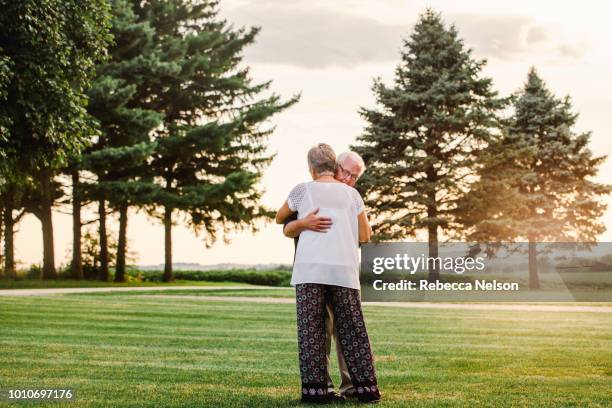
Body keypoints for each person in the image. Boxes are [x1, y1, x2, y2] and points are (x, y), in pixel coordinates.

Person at [276, 143, 381, 404]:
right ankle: (365, 389)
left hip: (309, 271)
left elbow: (280, 219)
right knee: (353, 330)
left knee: (312, 331)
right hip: (344, 272)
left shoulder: (302, 190)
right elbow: (366, 235)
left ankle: (316, 391)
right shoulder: (351, 195)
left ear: (311, 168)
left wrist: (303, 223)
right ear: (334, 167)